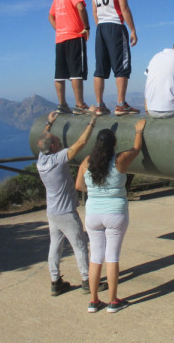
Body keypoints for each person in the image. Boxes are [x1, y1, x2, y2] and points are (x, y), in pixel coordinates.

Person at [75, 119, 146, 313]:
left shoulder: (87, 162)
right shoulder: (120, 160)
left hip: (93, 215)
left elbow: (79, 186)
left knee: (96, 257)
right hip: (116, 213)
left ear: (97, 144)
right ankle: (113, 301)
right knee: (112, 257)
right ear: (114, 144)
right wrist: (138, 131)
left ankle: (93, 301)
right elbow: (137, 149)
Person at [36, 110, 107, 296]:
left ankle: (55, 282)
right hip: (66, 213)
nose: (61, 143)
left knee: (55, 246)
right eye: (57, 142)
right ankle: (87, 281)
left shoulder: (41, 159)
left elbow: (42, 140)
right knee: (80, 245)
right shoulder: (58, 159)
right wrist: (92, 121)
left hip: (52, 212)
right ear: (53, 147)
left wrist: (48, 123)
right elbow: (81, 143)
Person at [91, 0, 140, 116]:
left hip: (101, 28)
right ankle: (120, 105)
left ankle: (99, 105)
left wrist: (99, 25)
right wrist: (132, 29)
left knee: (100, 68)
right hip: (116, 26)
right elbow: (123, 6)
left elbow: (94, 10)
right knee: (122, 66)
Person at [49, 0, 91, 115]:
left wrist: (59, 29)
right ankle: (79, 105)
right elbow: (80, 7)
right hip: (74, 36)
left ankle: (62, 105)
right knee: (76, 72)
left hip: (60, 39)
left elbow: (51, 16)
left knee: (59, 73)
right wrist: (86, 27)